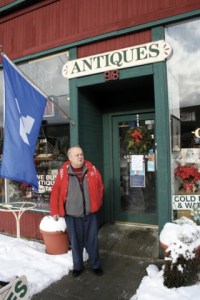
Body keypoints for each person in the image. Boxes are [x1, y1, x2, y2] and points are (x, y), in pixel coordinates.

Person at [50, 146, 104, 277]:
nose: (80, 156)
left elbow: (100, 186)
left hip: (90, 214)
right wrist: (55, 210)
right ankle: (78, 266)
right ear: (70, 158)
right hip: (72, 215)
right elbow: (56, 191)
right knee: (76, 242)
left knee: (92, 242)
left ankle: (95, 265)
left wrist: (97, 202)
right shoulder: (63, 172)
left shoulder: (92, 169)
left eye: (81, 154)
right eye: (77, 155)